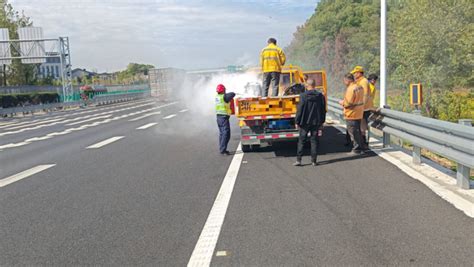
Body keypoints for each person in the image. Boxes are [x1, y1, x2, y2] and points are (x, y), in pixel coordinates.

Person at [293, 79, 326, 166]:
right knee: (314, 141)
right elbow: (323, 110)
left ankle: (299, 160)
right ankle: (314, 161)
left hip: (304, 122)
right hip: (316, 122)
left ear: (307, 85)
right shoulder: (320, 96)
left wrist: (297, 121)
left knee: (301, 141)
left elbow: (300, 109)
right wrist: (322, 122)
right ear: (315, 85)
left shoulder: (303, 96)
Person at [339, 73, 365, 155]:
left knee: (353, 133)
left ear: (348, 80)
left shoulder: (350, 89)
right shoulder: (360, 87)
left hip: (351, 113)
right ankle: (361, 148)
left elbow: (348, 103)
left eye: (344, 80)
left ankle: (356, 149)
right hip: (359, 113)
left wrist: (342, 103)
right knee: (358, 132)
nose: (344, 82)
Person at [351, 66, 370, 147]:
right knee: (360, 126)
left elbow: (364, 95)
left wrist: (361, 106)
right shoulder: (359, 81)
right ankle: (362, 142)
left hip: (364, 108)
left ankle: (364, 143)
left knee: (362, 126)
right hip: (361, 107)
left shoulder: (364, 82)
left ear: (359, 73)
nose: (354, 75)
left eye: (355, 73)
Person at [215, 84, 236, 155]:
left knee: (222, 134)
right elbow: (233, 94)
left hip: (219, 117)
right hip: (223, 118)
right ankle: (223, 150)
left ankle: (222, 149)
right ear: (223, 90)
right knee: (226, 134)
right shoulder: (224, 97)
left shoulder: (217, 97)